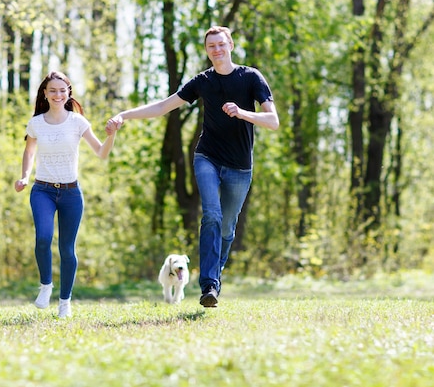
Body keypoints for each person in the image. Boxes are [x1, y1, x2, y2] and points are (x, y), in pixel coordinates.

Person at [107, 26, 279, 308]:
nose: (217, 50)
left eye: (221, 44)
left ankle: (215, 277)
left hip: (239, 165)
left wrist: (242, 112)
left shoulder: (251, 77)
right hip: (207, 157)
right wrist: (124, 115)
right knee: (210, 214)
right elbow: (164, 106)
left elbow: (273, 121)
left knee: (226, 228)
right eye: (211, 46)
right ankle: (209, 286)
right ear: (207, 50)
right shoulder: (203, 81)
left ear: (231, 45)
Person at [15, 71, 117, 318]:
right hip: (43, 190)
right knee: (43, 237)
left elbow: (101, 153)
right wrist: (25, 176)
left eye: (62, 90)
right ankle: (46, 285)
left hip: (71, 193)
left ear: (69, 92)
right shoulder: (36, 123)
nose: (58, 95)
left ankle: (65, 302)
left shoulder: (78, 122)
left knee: (67, 249)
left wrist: (111, 135)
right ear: (45, 94)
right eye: (53, 90)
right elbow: (29, 151)